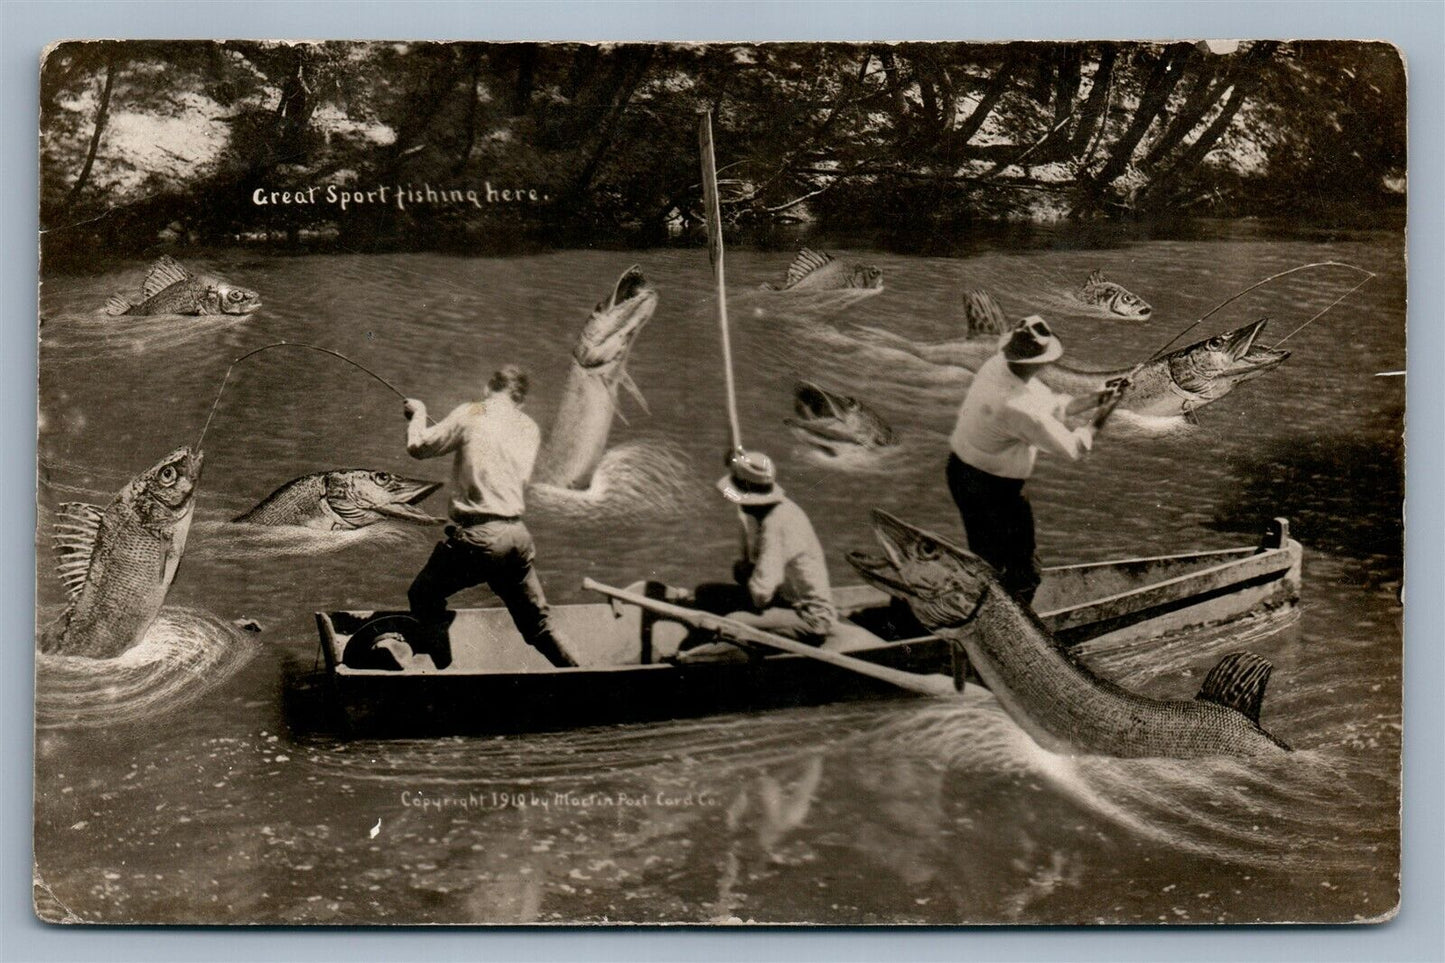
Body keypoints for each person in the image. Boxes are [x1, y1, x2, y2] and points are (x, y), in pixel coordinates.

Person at [396, 365, 578, 668]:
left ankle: (443, 676)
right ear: (521, 401)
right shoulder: (528, 426)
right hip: (516, 537)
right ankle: (582, 676)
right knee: (538, 627)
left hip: (480, 537)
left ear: (487, 388)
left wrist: (418, 413)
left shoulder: (474, 410)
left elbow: (419, 447)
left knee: (423, 595)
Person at [946, 315, 1125, 605]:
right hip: (995, 488)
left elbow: (1053, 406)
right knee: (1022, 568)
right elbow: (1076, 447)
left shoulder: (997, 367)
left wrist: (1098, 397)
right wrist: (1108, 409)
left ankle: (978, 603)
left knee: (986, 558)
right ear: (1040, 363)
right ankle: (1013, 621)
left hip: (960, 472)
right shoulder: (1020, 408)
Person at [676, 449, 837, 657]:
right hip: (782, 599)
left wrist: (747, 575)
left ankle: (700, 657)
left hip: (810, 618)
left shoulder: (776, 525)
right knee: (706, 592)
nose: (738, 503)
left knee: (733, 623)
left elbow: (761, 595)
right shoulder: (776, 512)